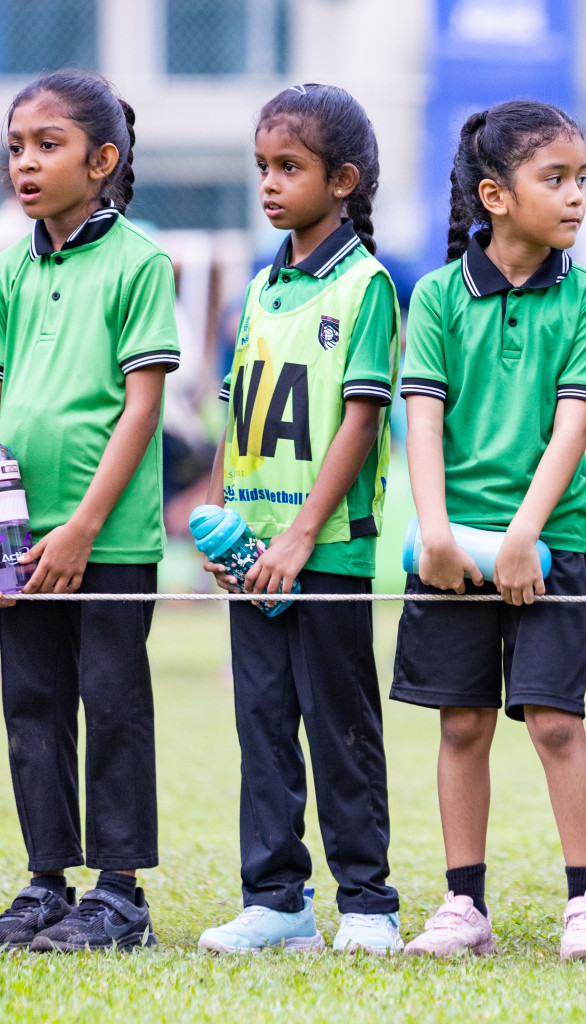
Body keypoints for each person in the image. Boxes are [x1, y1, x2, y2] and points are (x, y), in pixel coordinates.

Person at [389, 101, 586, 962]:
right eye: (554, 179)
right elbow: (421, 420)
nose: (574, 198)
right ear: (495, 195)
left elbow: (573, 424)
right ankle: (463, 905)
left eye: (580, 180)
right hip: (452, 548)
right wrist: (438, 532)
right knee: (461, 724)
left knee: (557, 721)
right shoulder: (442, 296)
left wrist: (526, 534)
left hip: (547, 546)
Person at [194, 84, 402, 955]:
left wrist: (303, 534)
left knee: (339, 726)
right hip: (251, 551)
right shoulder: (260, 287)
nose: (270, 184)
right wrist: (214, 511)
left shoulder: (367, 285)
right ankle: (277, 900)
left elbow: (360, 419)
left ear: (343, 179)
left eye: (290, 168)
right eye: (262, 168)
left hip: (323, 551)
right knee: (262, 721)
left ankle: (367, 904)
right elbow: (236, 409)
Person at [0, 71, 178, 952]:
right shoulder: (12, 268)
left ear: (102, 161)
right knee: (30, 704)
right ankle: (44, 882)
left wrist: (81, 529)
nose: (25, 164)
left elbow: (140, 411)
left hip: (106, 539)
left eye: (47, 146)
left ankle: (119, 893)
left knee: (112, 705)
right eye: (16, 148)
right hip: (18, 541)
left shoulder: (140, 263)